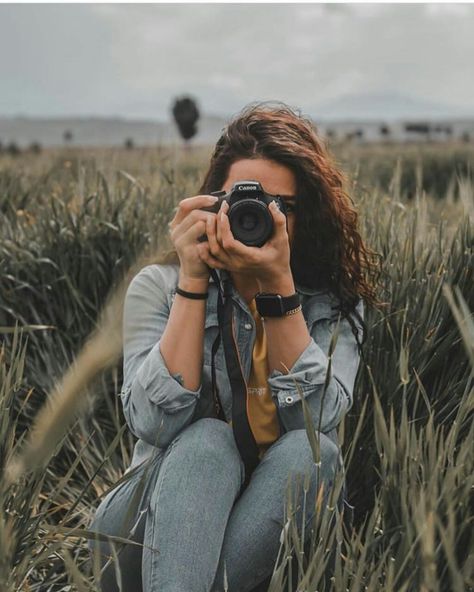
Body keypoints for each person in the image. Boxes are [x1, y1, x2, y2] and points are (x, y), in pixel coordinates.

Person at [86, 102, 382, 592]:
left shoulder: (333, 304)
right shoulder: (157, 288)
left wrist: (280, 290)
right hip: (135, 538)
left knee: (315, 454)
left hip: (256, 536)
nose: (257, 216)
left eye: (279, 206)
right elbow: (155, 425)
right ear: (211, 203)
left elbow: (316, 419)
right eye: (243, 202)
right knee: (207, 441)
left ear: (304, 216)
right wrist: (193, 282)